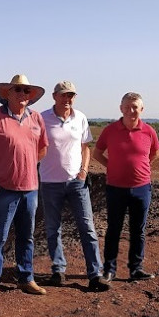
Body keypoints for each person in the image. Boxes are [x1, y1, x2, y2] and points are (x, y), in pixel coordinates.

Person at [0, 74, 48, 298]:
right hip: (2, 189)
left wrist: (26, 164)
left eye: (26, 91)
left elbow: (42, 149)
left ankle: (26, 278)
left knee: (26, 235)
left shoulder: (37, 118)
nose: (22, 94)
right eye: (17, 90)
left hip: (30, 188)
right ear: (7, 94)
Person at [39, 81, 109, 292]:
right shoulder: (42, 118)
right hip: (50, 182)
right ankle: (58, 270)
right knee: (53, 229)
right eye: (63, 95)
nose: (67, 99)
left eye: (71, 95)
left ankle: (95, 274)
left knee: (87, 227)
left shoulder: (80, 118)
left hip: (76, 182)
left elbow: (85, 147)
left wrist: (84, 171)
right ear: (54, 96)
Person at [93, 92, 159, 283]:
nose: (131, 110)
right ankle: (109, 270)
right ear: (121, 108)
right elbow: (97, 153)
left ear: (141, 109)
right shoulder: (110, 130)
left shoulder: (149, 131)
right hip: (115, 188)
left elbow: (156, 152)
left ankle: (136, 269)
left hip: (141, 188)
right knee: (114, 229)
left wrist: (142, 166)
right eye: (127, 107)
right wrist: (112, 166)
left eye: (135, 107)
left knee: (138, 230)